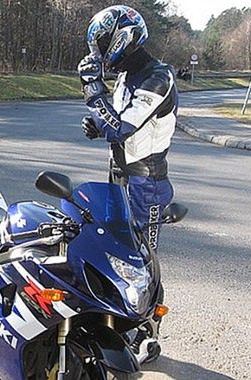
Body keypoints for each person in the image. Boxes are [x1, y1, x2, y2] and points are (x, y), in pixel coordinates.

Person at [77, 5, 177, 363]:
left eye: (102, 45)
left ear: (123, 39)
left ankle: (148, 334)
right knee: (110, 251)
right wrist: (96, 123)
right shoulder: (124, 75)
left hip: (145, 181)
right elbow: (112, 123)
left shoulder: (157, 77)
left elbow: (121, 128)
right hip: (119, 174)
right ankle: (113, 325)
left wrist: (91, 90)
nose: (99, 54)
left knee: (142, 260)